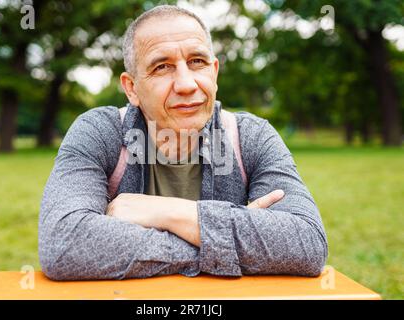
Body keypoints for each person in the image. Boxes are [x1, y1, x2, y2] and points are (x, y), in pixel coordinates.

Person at [38, 5, 328, 280]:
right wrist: (230, 241)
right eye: (162, 67)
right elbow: (63, 244)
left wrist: (166, 213)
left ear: (214, 73)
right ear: (132, 88)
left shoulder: (251, 136)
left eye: (197, 62)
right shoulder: (99, 132)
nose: (187, 84)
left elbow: (307, 243)